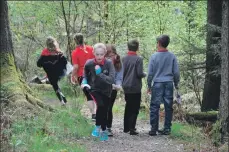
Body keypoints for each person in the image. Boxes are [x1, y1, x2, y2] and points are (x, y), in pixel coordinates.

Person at [81, 43, 115, 141]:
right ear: (93, 53)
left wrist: (100, 74)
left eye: (101, 54)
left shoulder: (109, 63)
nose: (99, 56)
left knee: (104, 109)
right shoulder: (89, 63)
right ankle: (97, 127)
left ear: (105, 53)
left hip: (107, 91)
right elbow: (85, 76)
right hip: (94, 89)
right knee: (100, 105)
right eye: (97, 54)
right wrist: (84, 82)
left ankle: (103, 130)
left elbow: (111, 80)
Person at [147, 34, 180, 136]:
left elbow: (150, 73)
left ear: (159, 43)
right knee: (168, 106)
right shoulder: (172, 56)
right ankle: (167, 129)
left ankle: (153, 129)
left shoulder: (154, 56)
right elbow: (176, 73)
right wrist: (176, 83)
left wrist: (149, 85)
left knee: (154, 106)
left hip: (157, 84)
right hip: (169, 83)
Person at [122, 39, 146, 135]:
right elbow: (139, 73)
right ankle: (132, 128)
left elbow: (122, 72)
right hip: (135, 86)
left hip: (126, 86)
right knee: (135, 107)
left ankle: (126, 127)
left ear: (128, 47)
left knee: (128, 106)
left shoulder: (124, 58)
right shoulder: (138, 59)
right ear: (137, 48)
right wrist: (145, 74)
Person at [71, 33, 96, 120]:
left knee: (88, 95)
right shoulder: (91, 49)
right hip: (94, 74)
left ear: (75, 41)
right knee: (94, 93)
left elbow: (76, 67)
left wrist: (72, 76)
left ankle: (93, 114)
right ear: (83, 39)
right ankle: (97, 113)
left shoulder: (75, 52)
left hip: (82, 75)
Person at [37, 36, 67, 105]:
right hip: (60, 73)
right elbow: (65, 61)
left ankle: (63, 102)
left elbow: (38, 64)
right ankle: (64, 100)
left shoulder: (44, 52)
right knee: (57, 85)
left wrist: (46, 64)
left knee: (56, 87)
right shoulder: (58, 51)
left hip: (51, 74)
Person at [105, 44, 123, 137]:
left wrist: (118, 85)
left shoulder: (118, 61)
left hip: (113, 89)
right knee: (102, 107)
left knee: (109, 107)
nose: (110, 57)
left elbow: (119, 76)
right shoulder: (101, 61)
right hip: (102, 88)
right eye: (108, 55)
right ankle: (101, 126)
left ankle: (108, 127)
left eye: (111, 55)